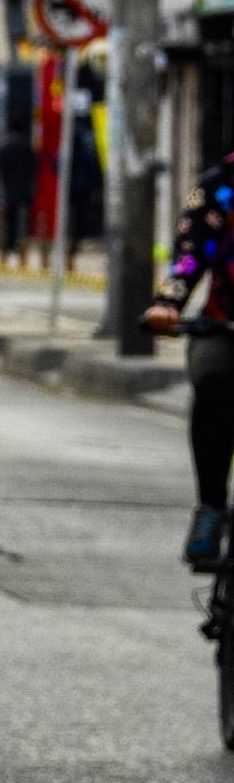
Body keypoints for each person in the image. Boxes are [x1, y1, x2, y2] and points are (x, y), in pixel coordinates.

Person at [143, 146, 234, 568]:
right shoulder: (221, 185)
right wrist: (169, 303)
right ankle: (211, 508)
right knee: (214, 379)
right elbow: (190, 254)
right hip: (224, 325)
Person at [0, 123, 37, 263]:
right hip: (25, 189)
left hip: (9, 189)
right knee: (24, 220)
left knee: (10, 220)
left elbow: (0, 168)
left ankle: (10, 244)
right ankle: (22, 245)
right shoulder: (27, 148)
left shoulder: (6, 148)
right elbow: (34, 167)